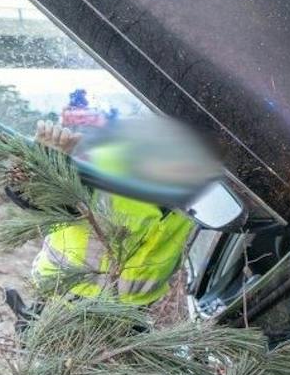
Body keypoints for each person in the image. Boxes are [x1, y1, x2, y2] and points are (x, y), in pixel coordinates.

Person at [18, 120, 196, 311]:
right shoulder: (100, 164)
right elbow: (31, 200)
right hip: (61, 301)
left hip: (132, 315)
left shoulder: (200, 186)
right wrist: (42, 163)